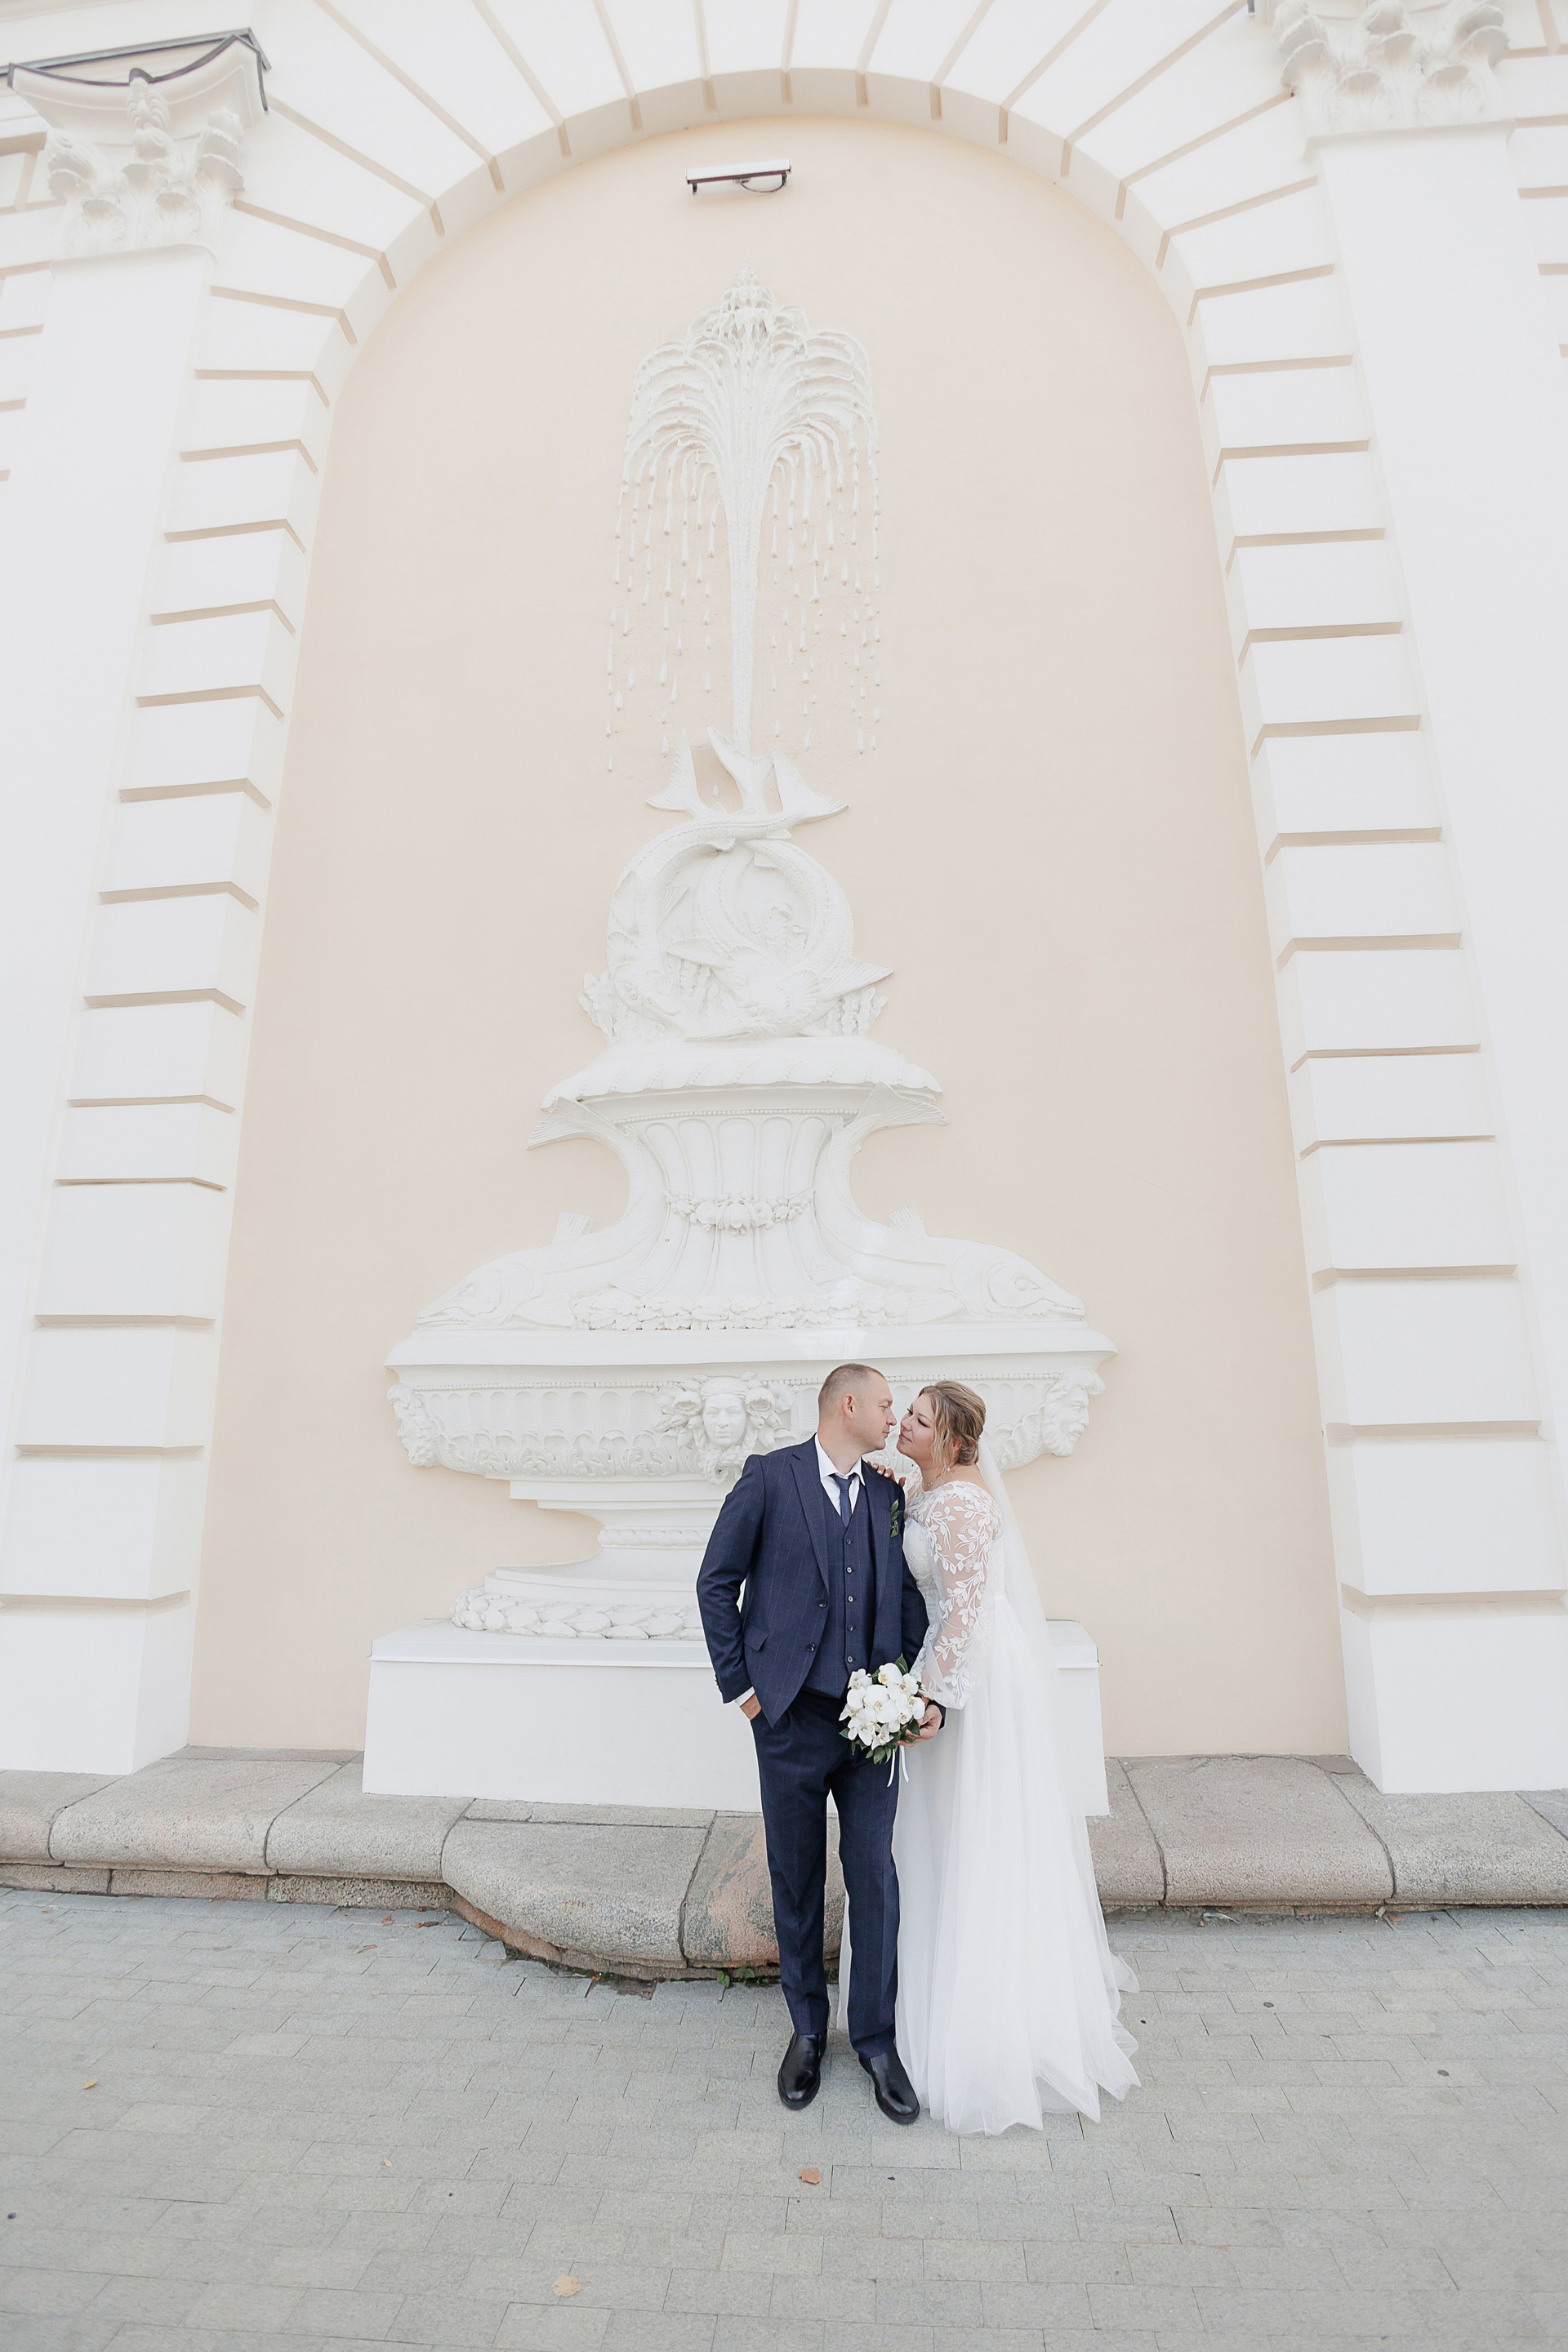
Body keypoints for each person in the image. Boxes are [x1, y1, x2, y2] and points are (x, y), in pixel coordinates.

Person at [887, 1380, 1140, 2133]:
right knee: (954, 1832)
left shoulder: (962, 1505)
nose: (904, 1424)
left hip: (978, 1680)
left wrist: (931, 1698)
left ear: (954, 1441)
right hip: (951, 1665)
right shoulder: (930, 1491)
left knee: (985, 1833)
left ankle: (993, 2020)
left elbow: (965, 1611)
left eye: (919, 1420)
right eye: (906, 1413)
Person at [696, 1363, 936, 2122]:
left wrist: (911, 1692)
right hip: (789, 1720)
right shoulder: (770, 1478)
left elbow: (906, 1601)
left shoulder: (888, 1495)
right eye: (887, 1405)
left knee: (874, 1878)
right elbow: (716, 1582)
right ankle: (806, 2030)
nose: (894, 1418)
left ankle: (875, 2042)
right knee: (794, 1877)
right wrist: (744, 1691)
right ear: (848, 1404)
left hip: (873, 1727)